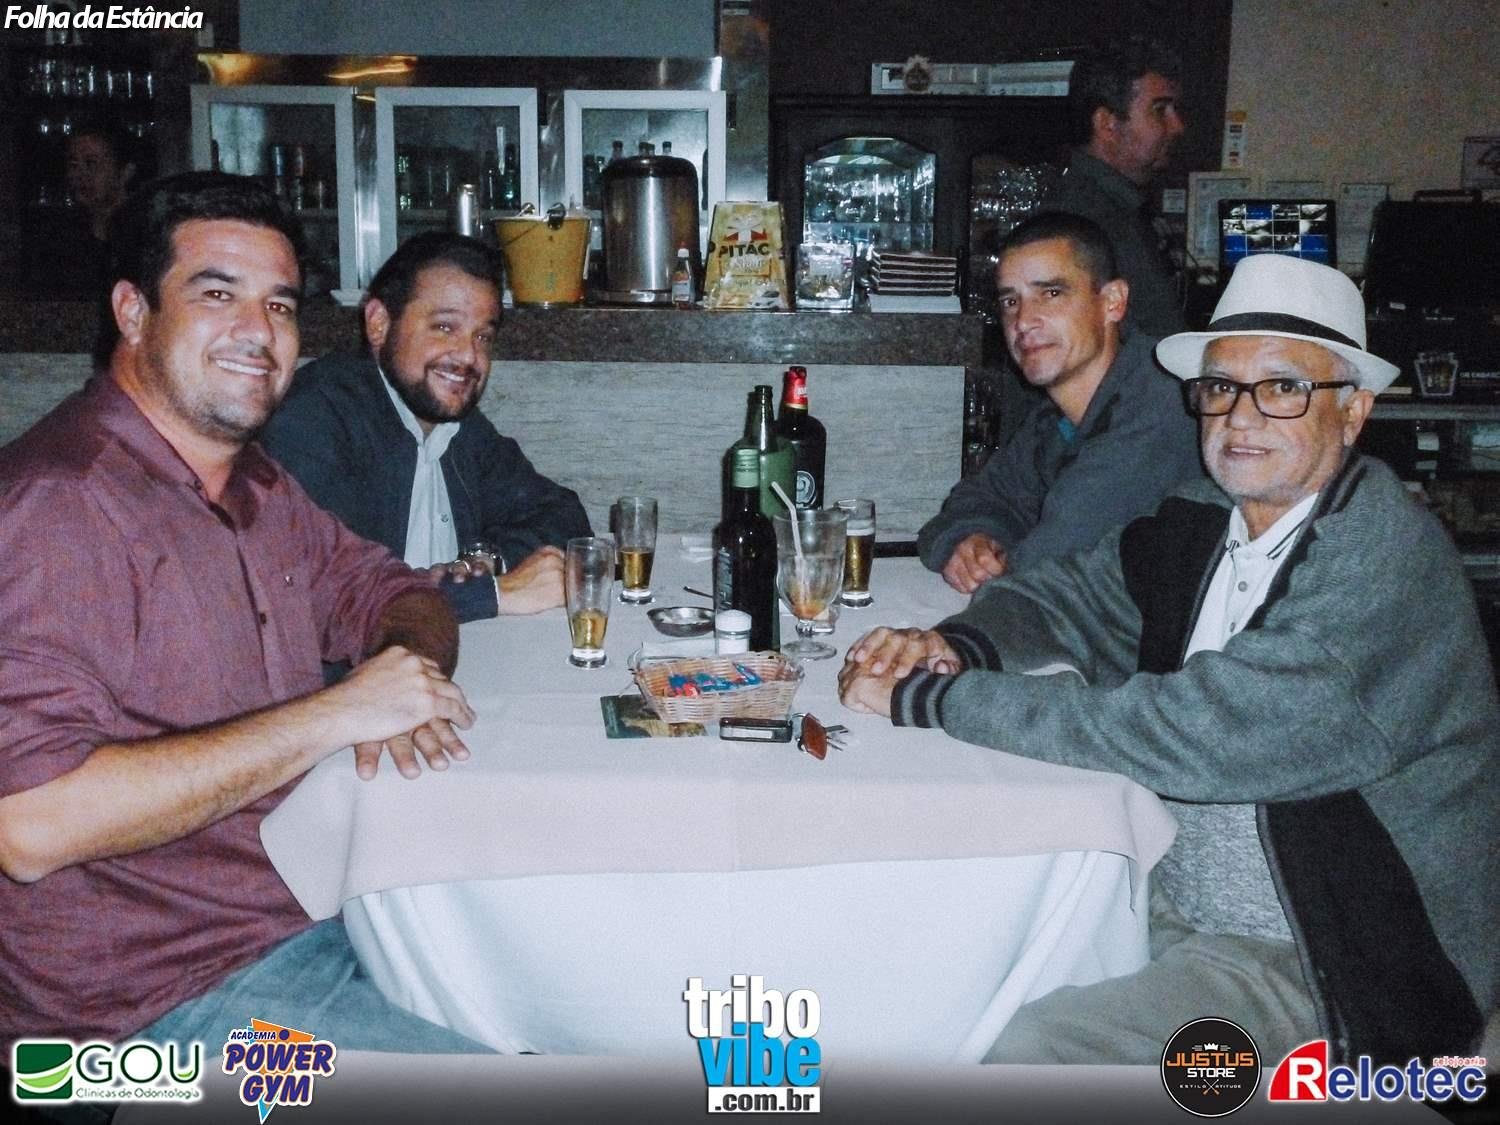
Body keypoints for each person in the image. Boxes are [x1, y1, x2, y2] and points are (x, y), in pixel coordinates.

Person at [842, 254, 1499, 1065]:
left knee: (1033, 1055)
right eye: (1221, 387)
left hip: (1330, 965)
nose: (1242, 417)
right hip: (1167, 891)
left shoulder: (1382, 560)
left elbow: (1199, 733)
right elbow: (1075, 596)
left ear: (1353, 411)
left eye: (1283, 387)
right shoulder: (1206, 514)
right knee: (940, 960)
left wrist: (936, 698)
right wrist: (957, 644)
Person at [0, 172, 489, 1056]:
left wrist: (403, 671)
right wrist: (339, 713)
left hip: (302, 917)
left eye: (280, 305)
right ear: (133, 311)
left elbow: (399, 594)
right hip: (133, 1027)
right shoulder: (61, 505)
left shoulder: (256, 483)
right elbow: (31, 823)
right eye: (217, 294)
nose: (259, 332)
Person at [259, 231, 590, 624]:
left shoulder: (458, 428)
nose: (469, 356)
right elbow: (328, 595)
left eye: (482, 336)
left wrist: (487, 559)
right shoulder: (313, 420)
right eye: (445, 327)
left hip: (455, 649)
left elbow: (563, 514)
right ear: (379, 324)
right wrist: (494, 594)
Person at [917, 212, 1200, 593]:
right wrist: (971, 540)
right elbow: (978, 499)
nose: (1023, 321)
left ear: (1112, 302)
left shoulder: (1159, 409)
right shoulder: (1055, 419)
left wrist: (1000, 560)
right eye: (1010, 301)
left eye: (1051, 293)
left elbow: (1049, 569)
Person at [1045, 35, 1186, 337]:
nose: (1177, 126)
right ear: (1107, 123)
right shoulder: (1089, 219)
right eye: (1159, 110)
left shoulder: (1118, 206)